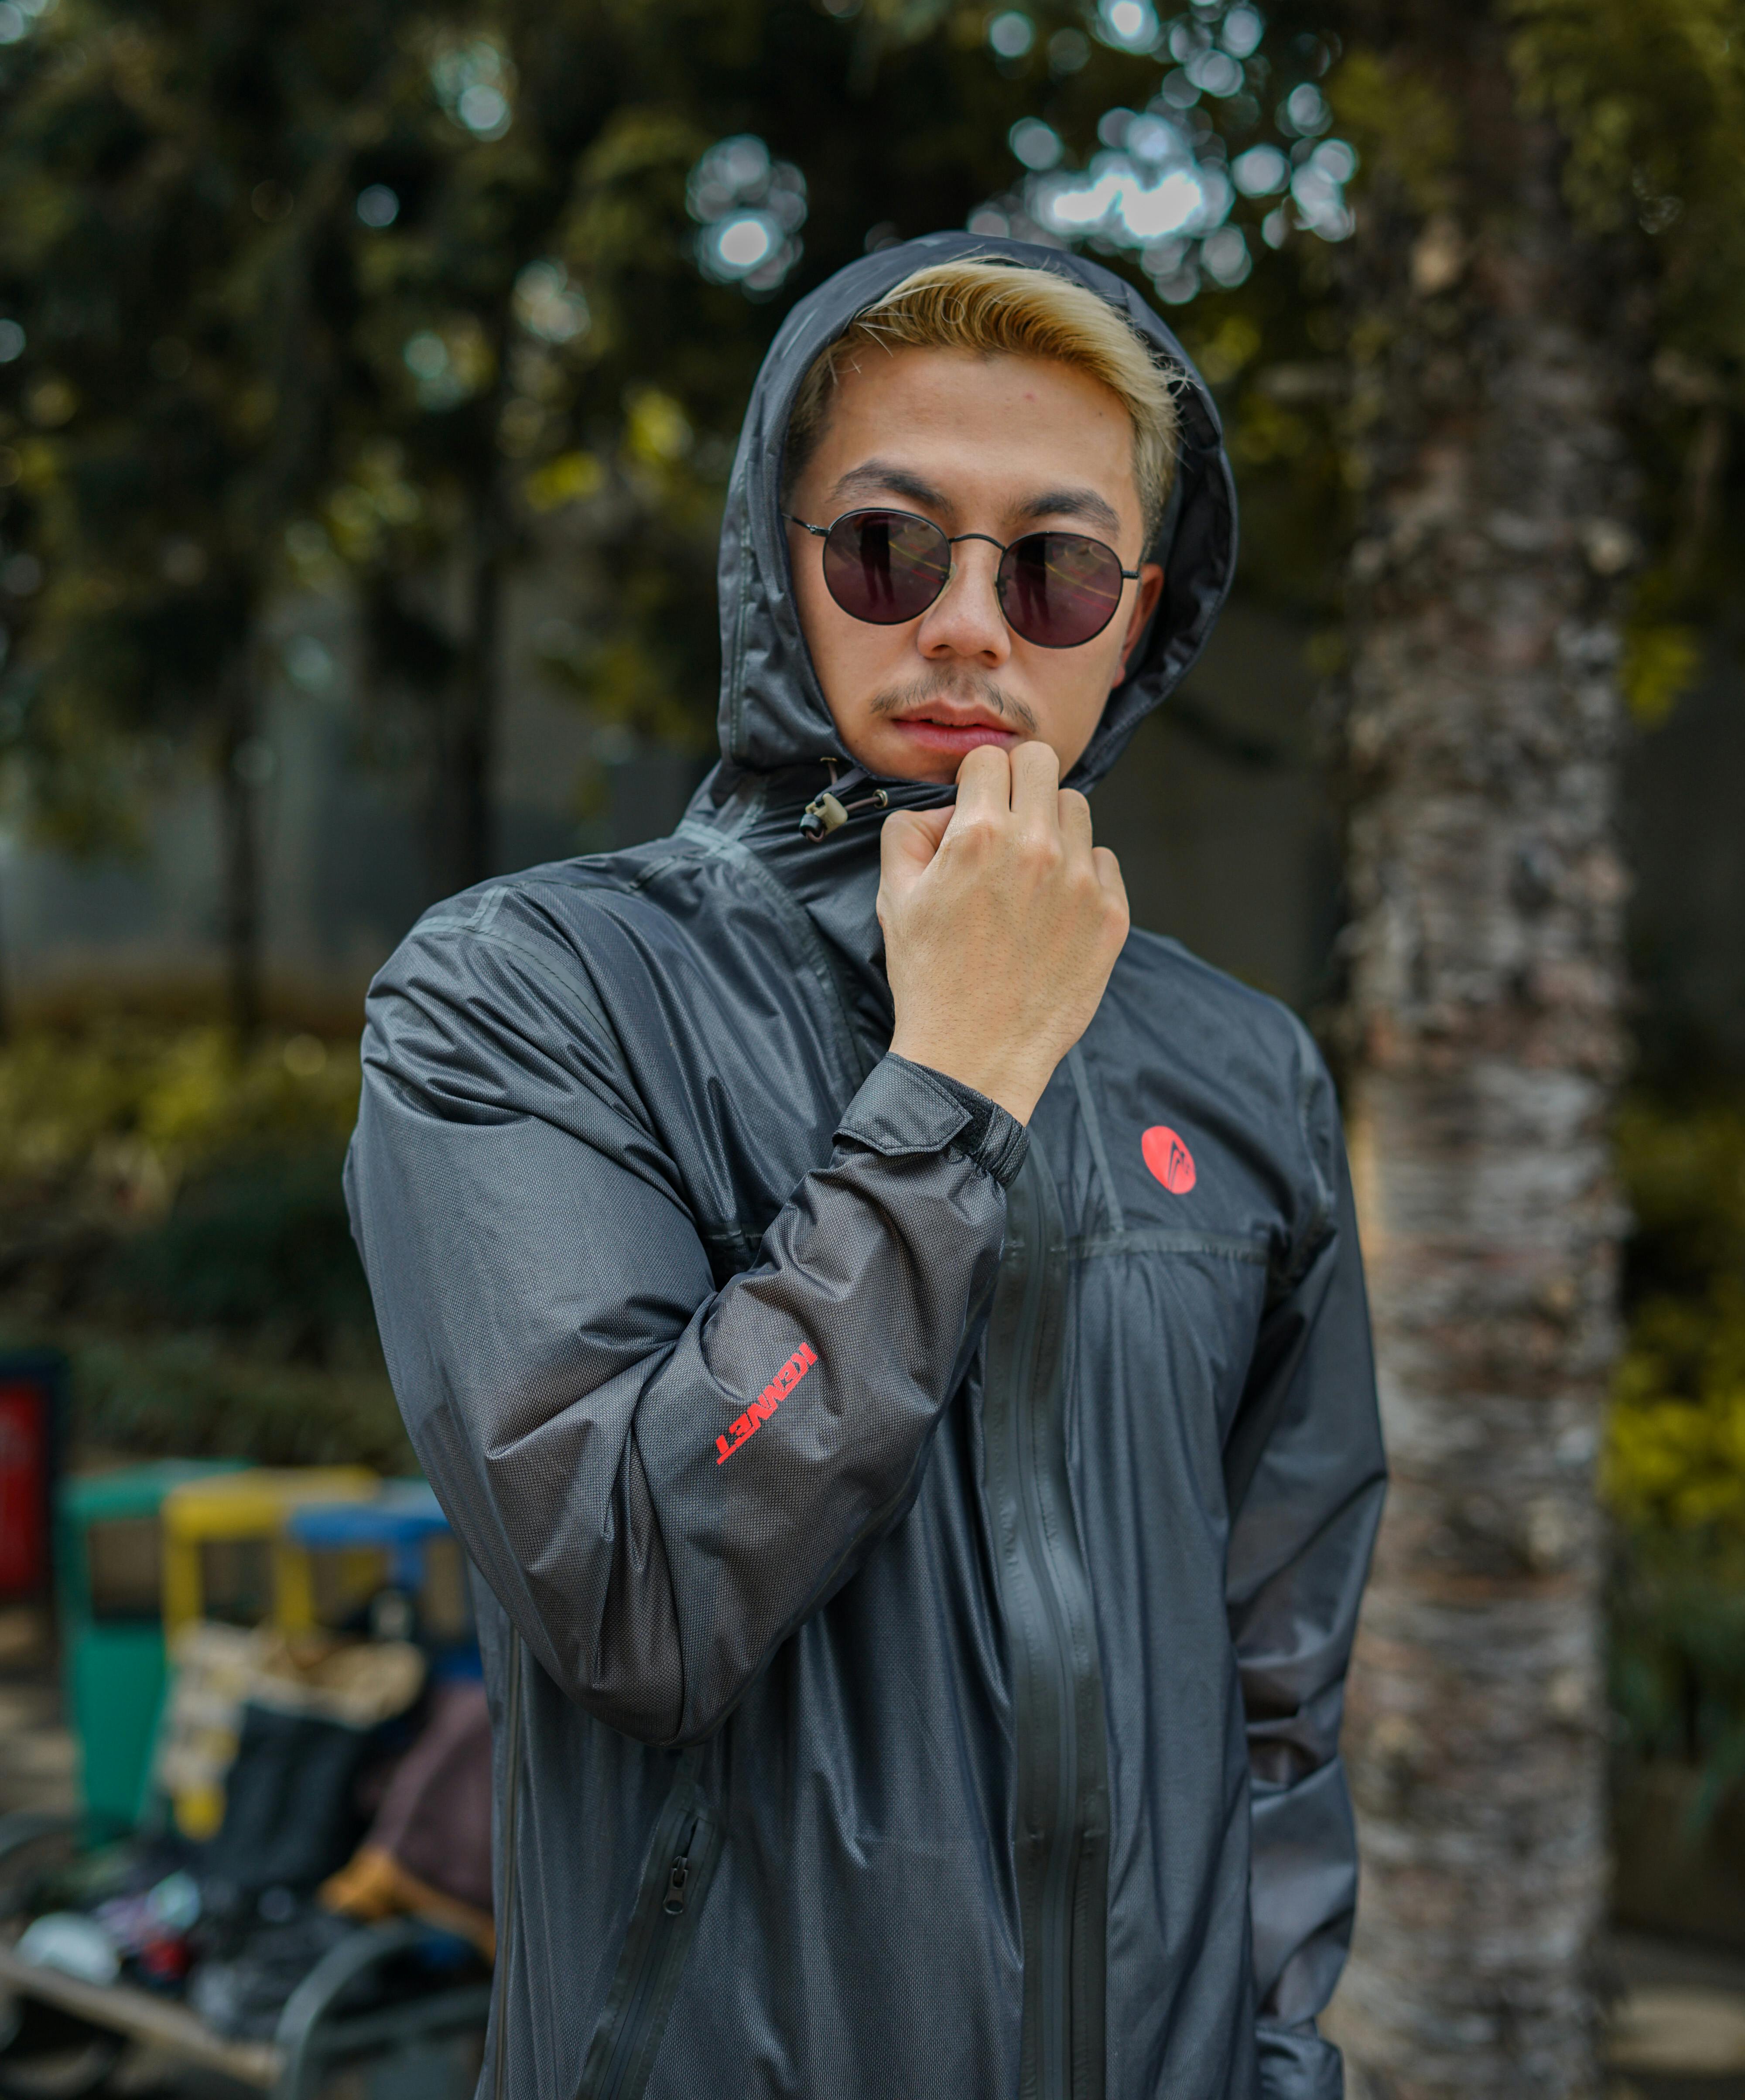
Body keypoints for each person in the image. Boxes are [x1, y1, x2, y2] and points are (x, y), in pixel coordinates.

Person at [346, 238, 1386, 2100]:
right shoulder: (531, 992)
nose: (971, 628)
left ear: (1135, 617)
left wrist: (1280, 2070)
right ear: (781, 561)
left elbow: (1283, 1699)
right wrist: (956, 1084)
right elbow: (636, 1590)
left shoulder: (1243, 1073)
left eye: (1055, 570)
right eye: (892, 548)